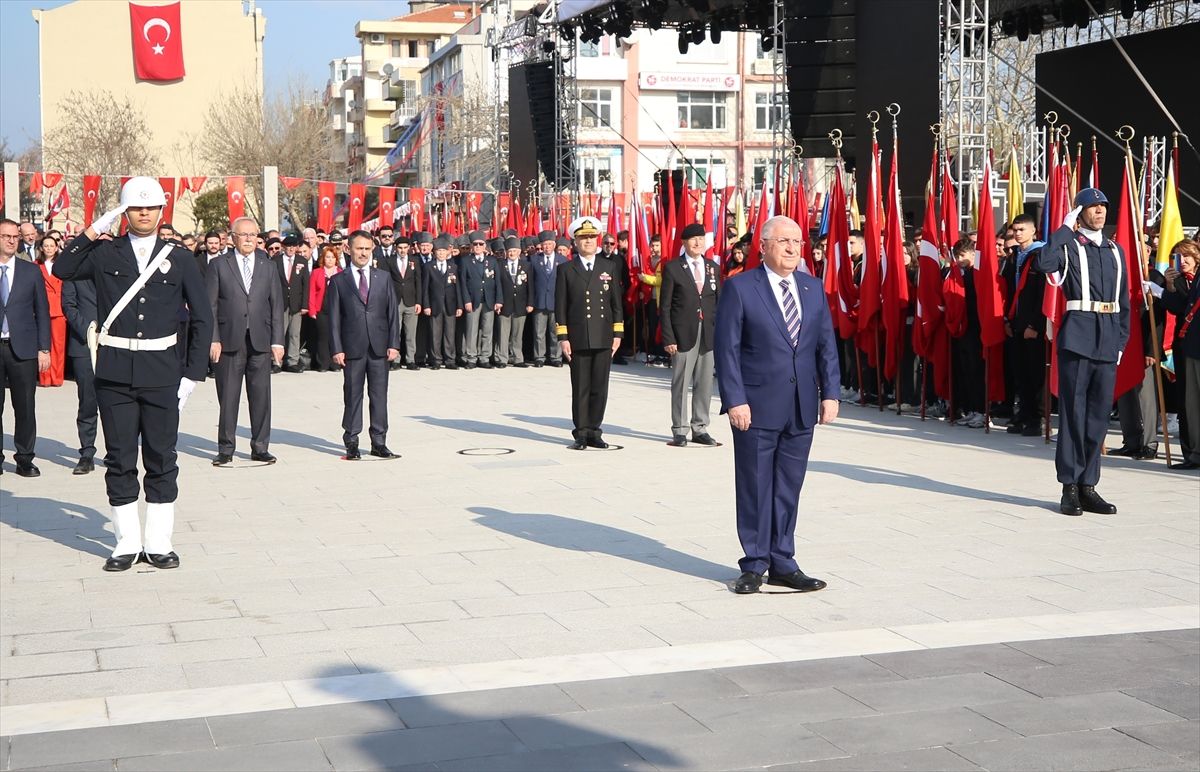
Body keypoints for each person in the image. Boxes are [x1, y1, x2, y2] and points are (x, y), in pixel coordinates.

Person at [54, 177, 212, 571]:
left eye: (150, 207)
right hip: (115, 375)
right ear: (125, 212)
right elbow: (62, 266)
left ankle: (158, 542)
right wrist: (95, 228)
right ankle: (126, 543)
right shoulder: (106, 254)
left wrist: (192, 374)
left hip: (162, 373)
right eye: (136, 208)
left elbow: (202, 317)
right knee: (120, 458)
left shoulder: (180, 258)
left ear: (161, 211)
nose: (144, 213)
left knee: (161, 457)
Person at [714, 216, 840, 595]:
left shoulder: (812, 288)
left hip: (801, 406)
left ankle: (783, 561)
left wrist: (830, 393)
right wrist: (735, 399)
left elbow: (826, 346)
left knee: (788, 487)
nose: (791, 248)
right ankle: (755, 563)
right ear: (764, 246)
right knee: (755, 485)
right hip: (756, 406)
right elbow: (727, 349)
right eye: (784, 241)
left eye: (797, 242)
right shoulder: (740, 288)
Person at [1034, 188, 1130, 515]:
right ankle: (1070, 487)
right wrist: (1064, 229)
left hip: (1107, 339)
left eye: (1103, 206)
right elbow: (1043, 262)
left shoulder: (1115, 250)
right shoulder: (1070, 246)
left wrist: (1120, 342)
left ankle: (1089, 485)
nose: (1100, 211)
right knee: (1073, 415)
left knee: (1098, 418)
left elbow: (1123, 301)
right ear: (1079, 212)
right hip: (1078, 337)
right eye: (1092, 207)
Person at [207, 216, 285, 466]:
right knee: (228, 397)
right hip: (229, 340)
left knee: (261, 397)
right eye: (244, 235)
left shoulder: (268, 266)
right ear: (233, 238)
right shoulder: (219, 265)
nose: (249, 239)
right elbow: (210, 306)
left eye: (253, 235)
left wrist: (278, 341)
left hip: (260, 340)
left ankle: (260, 446)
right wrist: (213, 339)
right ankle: (226, 448)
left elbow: (276, 306)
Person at [328, 230, 400, 459]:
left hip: (379, 347)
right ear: (348, 249)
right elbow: (333, 318)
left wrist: (394, 343)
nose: (363, 253)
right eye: (359, 248)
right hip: (352, 348)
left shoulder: (383, 278)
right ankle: (351, 440)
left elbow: (392, 313)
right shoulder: (339, 281)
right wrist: (337, 348)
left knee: (379, 396)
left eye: (367, 249)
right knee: (353, 395)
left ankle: (379, 441)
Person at [556, 216, 624, 449]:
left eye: (592, 237)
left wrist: (617, 334)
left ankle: (595, 431)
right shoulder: (566, 269)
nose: (588, 241)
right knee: (581, 387)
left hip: (603, 335)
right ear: (575, 242)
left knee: (599, 387)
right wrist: (563, 337)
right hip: (578, 337)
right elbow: (560, 306)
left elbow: (616, 303)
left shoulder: (609, 267)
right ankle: (581, 432)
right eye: (583, 238)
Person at [660, 222, 721, 446]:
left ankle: (700, 427)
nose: (698, 243)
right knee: (681, 383)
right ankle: (679, 429)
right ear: (684, 242)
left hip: (708, 333)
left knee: (704, 383)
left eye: (701, 239)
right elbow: (665, 306)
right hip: (682, 334)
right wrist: (669, 337)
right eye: (693, 239)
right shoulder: (673, 268)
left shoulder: (712, 267)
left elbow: (719, 303)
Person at [0, 218, 52, 477]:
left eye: (15, 236)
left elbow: (42, 311)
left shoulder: (30, 271)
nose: (12, 241)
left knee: (25, 407)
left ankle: (24, 458)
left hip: (23, 349)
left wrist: (44, 348)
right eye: (6, 236)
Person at [1005, 214, 1046, 436]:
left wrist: (1035, 324)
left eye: (1022, 229)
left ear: (1033, 231)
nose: (1018, 233)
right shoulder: (1014, 256)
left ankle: (1036, 419)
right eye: (1015, 230)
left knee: (1035, 374)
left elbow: (1043, 295)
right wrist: (1008, 319)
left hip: (1033, 325)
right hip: (1016, 322)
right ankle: (1023, 414)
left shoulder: (1040, 255)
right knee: (1020, 373)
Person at [1162, 239, 1200, 470]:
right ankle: (1192, 453)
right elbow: (1179, 307)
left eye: (1186, 255)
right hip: (1187, 346)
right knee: (1188, 401)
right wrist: (1169, 286)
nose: (1183, 260)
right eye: (1178, 256)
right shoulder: (1177, 280)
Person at [61, 272, 100, 474]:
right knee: (87, 402)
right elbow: (69, 306)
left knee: (118, 403)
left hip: (115, 344)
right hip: (84, 345)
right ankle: (87, 453)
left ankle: (116, 452)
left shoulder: (115, 268)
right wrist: (89, 331)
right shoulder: (75, 273)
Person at [458, 230, 502, 368]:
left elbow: (497, 282)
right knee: (471, 330)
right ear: (471, 246)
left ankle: (484, 358)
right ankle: (471, 358)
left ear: (485, 246)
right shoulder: (465, 261)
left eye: (480, 244)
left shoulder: (492, 261)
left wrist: (499, 300)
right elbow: (462, 283)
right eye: (475, 244)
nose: (477, 246)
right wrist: (466, 300)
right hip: (473, 301)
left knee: (487, 330)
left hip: (489, 300)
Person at [380, 232, 423, 371]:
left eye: (405, 247)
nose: (402, 250)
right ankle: (395, 360)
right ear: (395, 248)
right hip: (395, 301)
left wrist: (419, 302)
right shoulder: (390, 261)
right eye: (400, 248)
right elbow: (386, 282)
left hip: (411, 301)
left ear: (409, 248)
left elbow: (418, 282)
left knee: (411, 333)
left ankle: (411, 360)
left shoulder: (414, 261)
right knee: (395, 332)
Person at [422, 235, 462, 369]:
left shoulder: (453, 267)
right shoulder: (429, 267)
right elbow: (425, 288)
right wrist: (426, 305)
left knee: (450, 334)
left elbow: (458, 287)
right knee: (435, 334)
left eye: (443, 251)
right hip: (435, 304)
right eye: (438, 251)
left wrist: (459, 306)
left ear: (448, 252)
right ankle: (436, 360)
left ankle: (450, 360)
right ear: (434, 252)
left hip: (451, 304)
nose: (441, 253)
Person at [530, 230, 567, 368]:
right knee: (539, 332)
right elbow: (531, 282)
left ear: (554, 245)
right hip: (539, 301)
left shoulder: (562, 260)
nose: (547, 247)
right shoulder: (534, 259)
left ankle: (556, 357)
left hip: (556, 301)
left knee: (555, 332)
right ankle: (539, 357)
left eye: (549, 244)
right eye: (544, 244)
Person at [495, 235, 532, 368]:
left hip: (521, 304)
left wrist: (530, 303)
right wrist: (498, 302)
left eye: (514, 251)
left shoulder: (526, 265)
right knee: (503, 333)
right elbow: (497, 285)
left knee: (517, 334)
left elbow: (531, 286)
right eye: (509, 251)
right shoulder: (500, 265)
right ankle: (502, 358)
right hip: (504, 304)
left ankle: (518, 358)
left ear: (519, 252)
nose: (512, 253)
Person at [274, 234, 310, 373]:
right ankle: (276, 361)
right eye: (288, 246)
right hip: (280, 302)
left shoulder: (302, 261)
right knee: (279, 333)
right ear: (283, 247)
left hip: (297, 303)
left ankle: (292, 361)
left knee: (294, 333)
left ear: (296, 248)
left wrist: (305, 304)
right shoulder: (276, 260)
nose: (290, 249)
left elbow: (306, 284)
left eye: (293, 246)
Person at [36, 235, 67, 387]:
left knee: (58, 346)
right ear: (41, 248)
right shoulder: (36, 265)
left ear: (56, 248)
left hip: (59, 309)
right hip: (41, 309)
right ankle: (45, 378)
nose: (49, 248)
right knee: (43, 346)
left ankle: (57, 377)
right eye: (46, 246)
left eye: (51, 246)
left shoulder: (63, 264)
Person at [308, 246, 342, 372]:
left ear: (336, 259)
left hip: (337, 310)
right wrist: (312, 310)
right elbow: (311, 292)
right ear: (323, 258)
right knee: (323, 336)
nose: (330, 259)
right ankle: (323, 363)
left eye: (332, 257)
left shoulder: (341, 272)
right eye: (328, 257)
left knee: (335, 336)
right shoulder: (317, 272)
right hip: (321, 309)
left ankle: (335, 364)